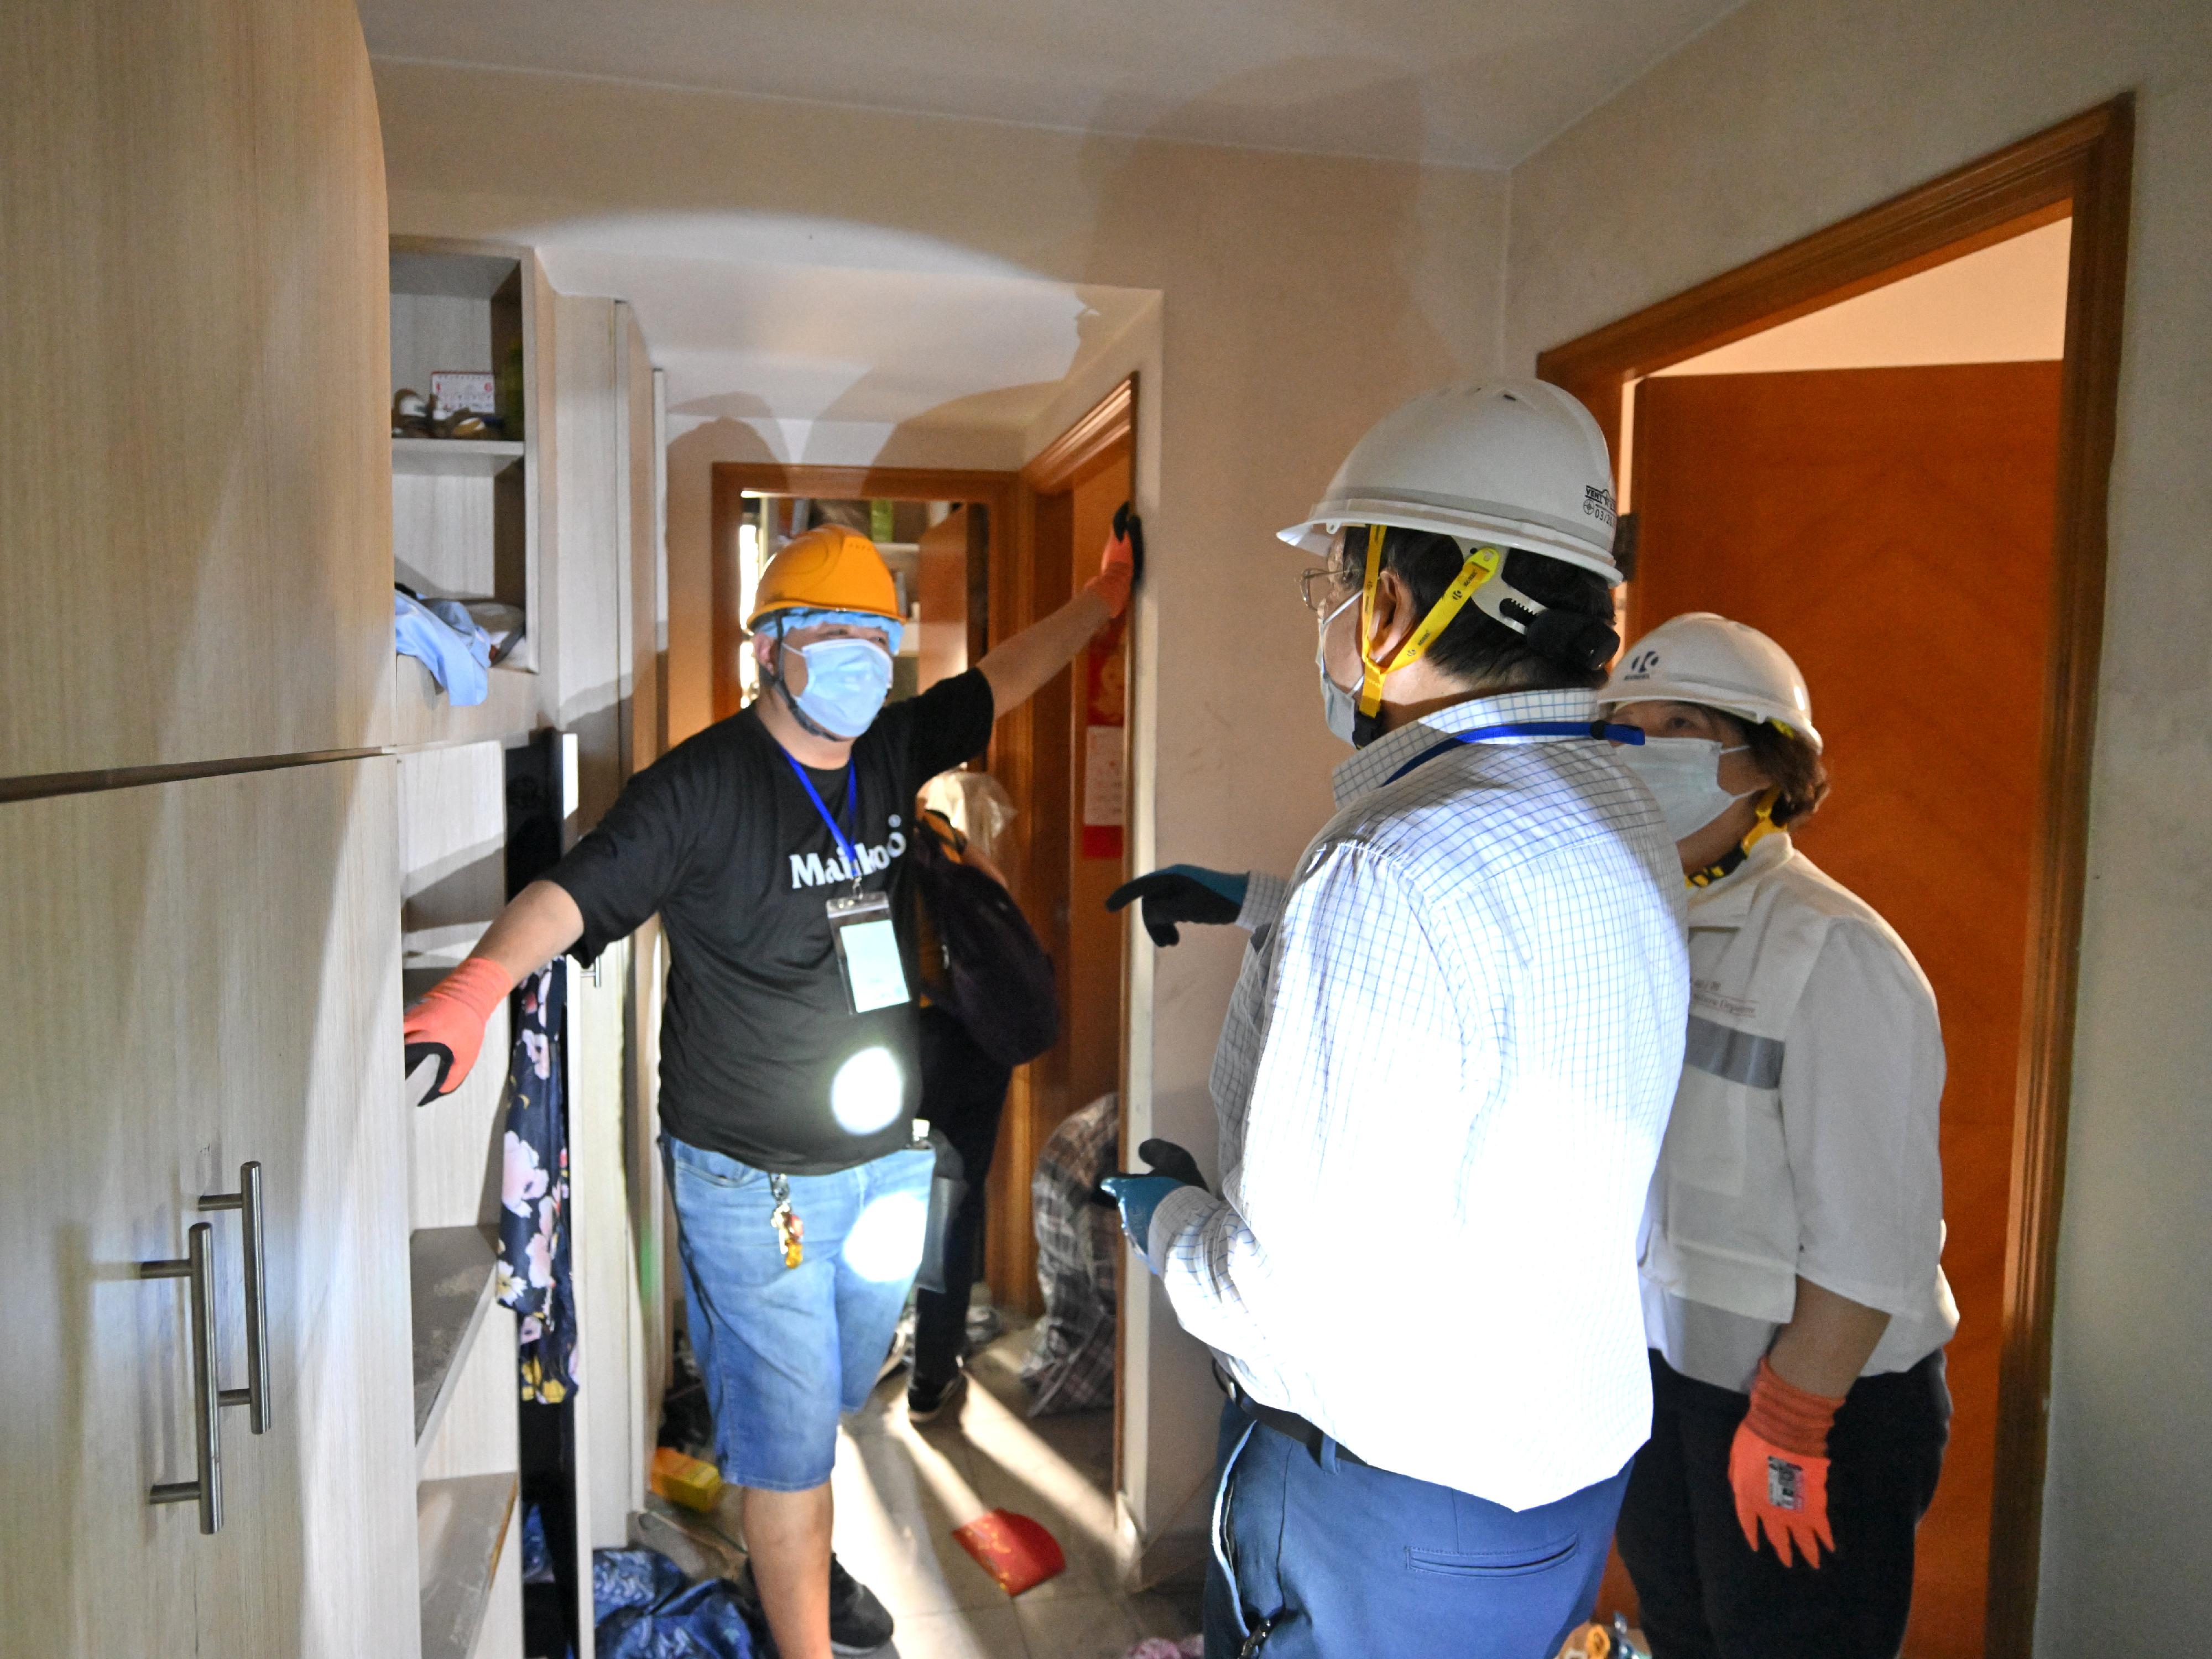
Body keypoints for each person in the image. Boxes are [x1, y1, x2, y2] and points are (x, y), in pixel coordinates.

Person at [402, 518, 1136, 1659]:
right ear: (768, 650)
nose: (856, 655)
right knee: (791, 1449)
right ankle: (795, 1584)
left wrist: (1098, 605)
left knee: (834, 1397)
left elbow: (1002, 677)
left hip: (886, 1158)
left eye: (874, 636)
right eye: (828, 632)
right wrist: (478, 984)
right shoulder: (700, 789)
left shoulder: (892, 749)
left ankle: (781, 1536)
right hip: (752, 1185)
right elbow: (576, 889)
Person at [1101, 379, 1689, 1658]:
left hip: (1379, 1494)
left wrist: (1168, 1221)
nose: (1323, 617)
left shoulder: (1383, 865)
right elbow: (1500, 988)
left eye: (1335, 583)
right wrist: (1264, 904)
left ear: (1389, 606)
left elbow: (1274, 1302)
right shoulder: (1624, 812)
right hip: (1558, 1483)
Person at [1598, 613, 1955, 1658]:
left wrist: (1792, 1422)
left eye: (1682, 726)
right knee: (1686, 1633)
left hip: (1814, 1405)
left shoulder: (1835, 954)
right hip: (1671, 1385)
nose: (1644, 751)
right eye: (1625, 727)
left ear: (1764, 766)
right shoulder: (1634, 923)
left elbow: (1871, 1242)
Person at [904, 805, 1016, 1422]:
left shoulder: (848, 836)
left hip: (897, 1044)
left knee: (873, 1194)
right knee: (955, 1202)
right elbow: (998, 894)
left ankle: (860, 1354)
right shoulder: (939, 830)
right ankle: (930, 1374)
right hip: (972, 1036)